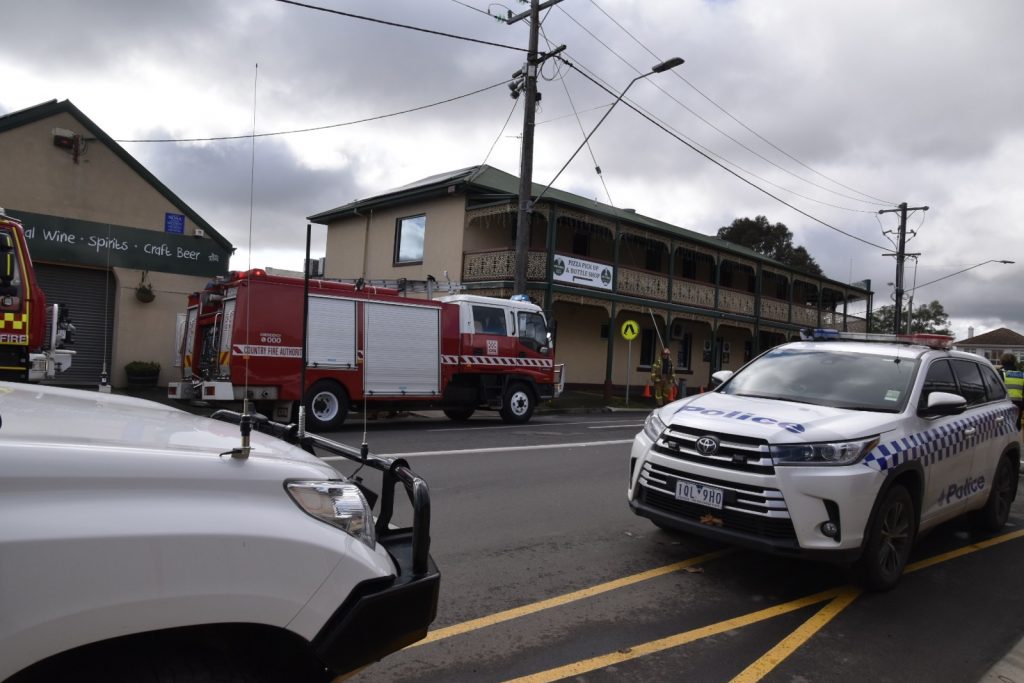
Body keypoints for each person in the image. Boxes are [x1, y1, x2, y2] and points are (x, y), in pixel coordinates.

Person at [1000, 353, 1023, 429]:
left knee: (1003, 428)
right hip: (1018, 405)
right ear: (1014, 361)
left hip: (1002, 406)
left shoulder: (1000, 373)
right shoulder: (1022, 375)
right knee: (1016, 427)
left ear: (1002, 361)